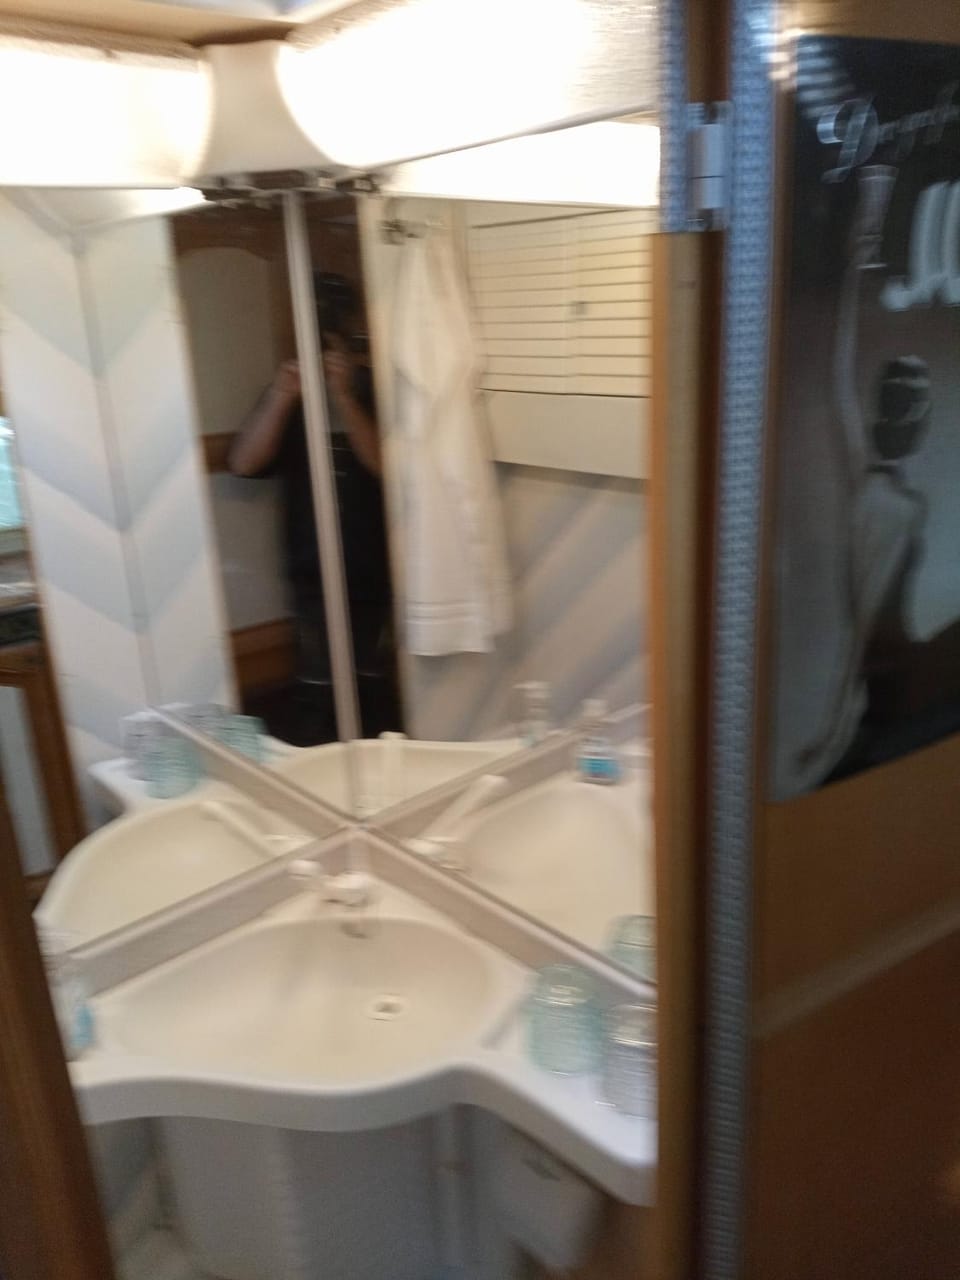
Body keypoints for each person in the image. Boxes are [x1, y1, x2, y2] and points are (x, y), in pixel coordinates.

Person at [229, 273, 394, 730]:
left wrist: (345, 396)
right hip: (311, 569)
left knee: (375, 683)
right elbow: (243, 462)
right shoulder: (289, 393)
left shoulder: (375, 390)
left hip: (378, 566)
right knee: (318, 687)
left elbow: (388, 468)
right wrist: (282, 395)